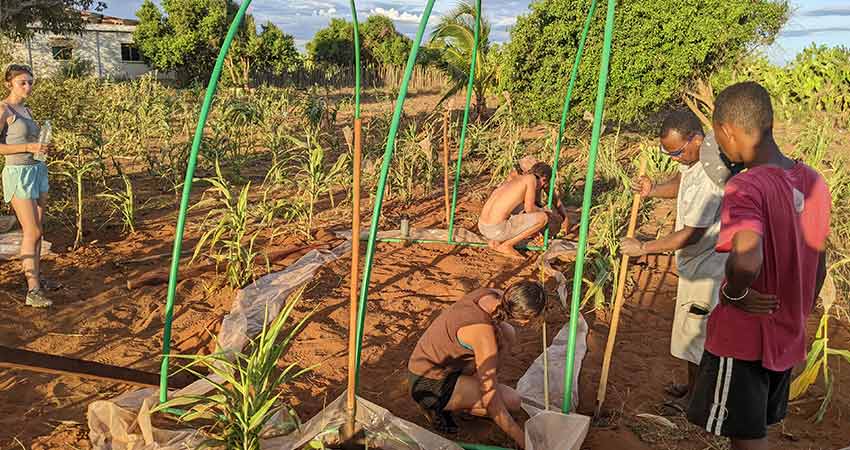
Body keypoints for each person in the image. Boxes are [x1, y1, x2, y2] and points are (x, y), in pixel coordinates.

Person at [686, 82, 830, 450]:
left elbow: (748, 257)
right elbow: (819, 260)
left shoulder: (747, 187)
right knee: (758, 428)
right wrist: (800, 309)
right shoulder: (813, 181)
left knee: (745, 437)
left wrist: (735, 293)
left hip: (744, 338)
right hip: (786, 331)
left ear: (727, 129)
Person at [619, 110, 729, 407]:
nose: (675, 158)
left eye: (677, 152)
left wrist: (643, 248)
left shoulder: (712, 172)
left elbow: (692, 233)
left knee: (698, 334)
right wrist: (652, 189)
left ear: (695, 138)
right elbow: (681, 183)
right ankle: (693, 387)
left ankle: (699, 399)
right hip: (694, 264)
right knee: (691, 331)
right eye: (668, 153)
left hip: (709, 268)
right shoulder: (697, 157)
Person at [408, 281, 546, 449]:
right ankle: (437, 408)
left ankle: (469, 395)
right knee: (512, 401)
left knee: (508, 333)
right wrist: (524, 441)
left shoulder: (493, 295)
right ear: (525, 320)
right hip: (427, 384)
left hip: (437, 363)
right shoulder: (482, 334)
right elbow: (492, 402)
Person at [0, 64, 52, 307]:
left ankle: (37, 278)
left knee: (38, 229)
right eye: (23, 82)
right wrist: (27, 148)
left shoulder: (27, 110)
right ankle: (33, 292)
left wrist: (39, 147)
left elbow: (31, 141)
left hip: (37, 170)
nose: (28, 86)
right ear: (10, 83)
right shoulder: (3, 109)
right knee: (32, 231)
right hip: (17, 173)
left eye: (30, 82)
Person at [478, 161, 565, 259]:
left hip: (482, 227)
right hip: (496, 230)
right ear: (544, 179)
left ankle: (496, 241)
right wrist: (546, 212)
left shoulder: (517, 178)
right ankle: (507, 245)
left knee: (519, 208)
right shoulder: (531, 179)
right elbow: (530, 209)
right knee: (543, 218)